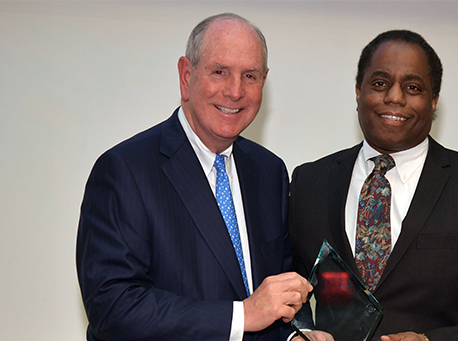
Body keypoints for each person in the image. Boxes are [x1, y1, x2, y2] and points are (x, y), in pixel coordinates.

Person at [289, 30, 458, 341]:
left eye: (413, 87)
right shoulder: (308, 183)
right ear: (358, 92)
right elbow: (288, 290)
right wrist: (299, 334)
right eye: (380, 84)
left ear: (433, 101)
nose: (394, 97)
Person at [76, 13, 312, 341]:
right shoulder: (124, 170)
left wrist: (295, 335)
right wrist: (240, 316)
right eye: (219, 72)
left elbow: (277, 290)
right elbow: (113, 306)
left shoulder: (269, 171)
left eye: (250, 76)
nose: (235, 91)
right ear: (186, 76)